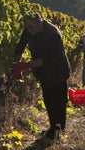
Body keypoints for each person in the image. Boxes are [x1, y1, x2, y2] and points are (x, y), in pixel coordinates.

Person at [13, 12, 71, 140]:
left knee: (59, 101)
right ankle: (53, 127)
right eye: (27, 28)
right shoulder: (29, 29)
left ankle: (60, 130)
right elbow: (20, 46)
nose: (28, 31)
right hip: (44, 72)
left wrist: (25, 66)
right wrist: (17, 63)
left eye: (30, 28)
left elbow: (46, 59)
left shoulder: (53, 34)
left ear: (38, 22)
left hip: (58, 70)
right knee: (48, 99)